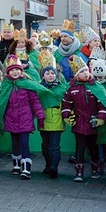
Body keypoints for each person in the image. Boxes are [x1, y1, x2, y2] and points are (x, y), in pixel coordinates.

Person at [0, 54, 46, 179]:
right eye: (12, 70)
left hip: (25, 119)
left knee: (24, 142)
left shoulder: (27, 85)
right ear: (8, 72)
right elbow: (2, 102)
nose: (15, 72)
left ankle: (26, 167)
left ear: (21, 70)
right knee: (15, 143)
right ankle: (16, 165)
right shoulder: (6, 86)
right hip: (11, 119)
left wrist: (40, 116)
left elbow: (35, 102)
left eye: (17, 69)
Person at [61, 55, 106, 182]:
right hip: (79, 123)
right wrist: (67, 116)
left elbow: (103, 103)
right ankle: (79, 170)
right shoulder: (72, 89)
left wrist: (101, 118)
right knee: (80, 148)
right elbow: (66, 103)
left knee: (93, 148)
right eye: (82, 71)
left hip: (93, 123)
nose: (85, 73)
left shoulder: (96, 87)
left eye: (86, 70)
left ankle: (95, 168)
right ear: (77, 75)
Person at [38, 50, 69, 179]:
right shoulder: (39, 87)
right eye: (47, 73)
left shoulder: (62, 87)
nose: (50, 75)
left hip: (56, 118)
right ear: (43, 75)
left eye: (52, 73)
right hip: (44, 119)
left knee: (54, 145)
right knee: (45, 145)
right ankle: (48, 164)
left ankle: (54, 167)